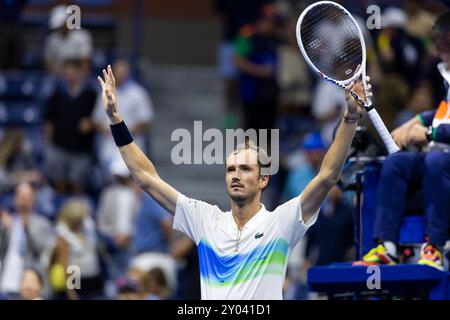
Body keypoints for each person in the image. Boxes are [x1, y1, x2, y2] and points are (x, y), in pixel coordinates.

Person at [97, 60, 370, 299]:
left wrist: (350, 117)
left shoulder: (281, 223)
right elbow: (146, 178)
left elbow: (326, 177)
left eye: (245, 169)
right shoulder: (205, 220)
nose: (235, 175)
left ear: (263, 180)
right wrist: (115, 120)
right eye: (230, 170)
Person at [354, 12, 450, 271]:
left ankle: (435, 247)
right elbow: (443, 111)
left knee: (436, 160)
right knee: (398, 162)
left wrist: (430, 135)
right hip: (440, 156)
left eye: (446, 41)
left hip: (443, 159)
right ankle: (388, 247)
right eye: (438, 40)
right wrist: (416, 120)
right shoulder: (447, 74)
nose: (440, 47)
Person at [44, 58, 97, 193]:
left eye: (72, 70)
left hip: (81, 149)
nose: (69, 73)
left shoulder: (91, 95)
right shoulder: (57, 94)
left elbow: (100, 119)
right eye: (66, 70)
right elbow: (49, 120)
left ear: (80, 72)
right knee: (58, 182)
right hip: (59, 146)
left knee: (77, 184)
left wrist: (91, 123)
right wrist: (49, 143)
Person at [92, 57, 154, 173]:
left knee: (130, 174)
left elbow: (145, 120)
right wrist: (109, 132)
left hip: (133, 144)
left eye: (124, 72)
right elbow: (96, 119)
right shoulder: (105, 92)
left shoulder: (138, 93)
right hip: (108, 144)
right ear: (113, 73)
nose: (121, 75)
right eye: (119, 72)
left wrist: (123, 133)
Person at [0, 183, 54, 298]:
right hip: (6, 282)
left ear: (33, 200)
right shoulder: (6, 222)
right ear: (15, 199)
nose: (23, 201)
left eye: (27, 197)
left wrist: (26, 229)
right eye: (21, 197)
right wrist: (3, 231)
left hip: (29, 283)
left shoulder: (42, 223)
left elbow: (43, 253)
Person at [44, 5, 93, 75]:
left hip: (78, 76)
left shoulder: (82, 36)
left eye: (61, 25)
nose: (60, 28)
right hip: (58, 76)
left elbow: (85, 62)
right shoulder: (52, 39)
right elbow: (48, 63)